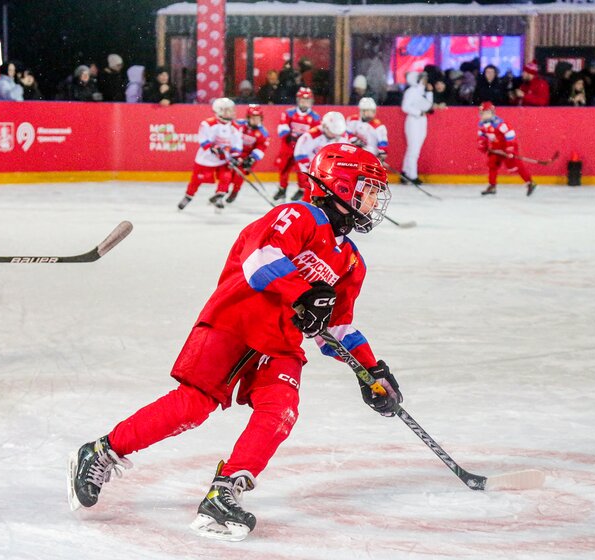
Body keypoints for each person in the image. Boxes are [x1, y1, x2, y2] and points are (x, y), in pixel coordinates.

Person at [67, 142, 401, 542]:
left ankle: (223, 493)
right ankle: (101, 452)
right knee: (193, 405)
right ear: (341, 184)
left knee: (281, 409)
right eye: (368, 189)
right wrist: (302, 293)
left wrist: (370, 370)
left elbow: (338, 329)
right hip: (237, 320)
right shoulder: (297, 215)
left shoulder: (351, 261)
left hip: (280, 343)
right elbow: (259, 262)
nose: (373, 200)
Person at [177, 98, 243, 212]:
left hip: (223, 160)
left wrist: (235, 157)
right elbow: (203, 140)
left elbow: (237, 145)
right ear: (219, 111)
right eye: (228, 110)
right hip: (206, 159)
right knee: (196, 180)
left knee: (226, 177)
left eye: (231, 109)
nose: (232, 112)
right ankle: (188, 196)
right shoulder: (207, 124)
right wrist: (215, 148)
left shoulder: (235, 127)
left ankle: (219, 197)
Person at [477, 102, 536, 197]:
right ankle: (492, 186)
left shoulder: (499, 124)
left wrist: (510, 149)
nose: (484, 115)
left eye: (486, 113)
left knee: (515, 166)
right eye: (482, 113)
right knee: (492, 164)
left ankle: (530, 182)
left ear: (492, 113)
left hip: (507, 147)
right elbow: (482, 136)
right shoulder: (482, 124)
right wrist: (482, 145)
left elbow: (510, 135)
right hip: (496, 148)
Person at [273, 87, 321, 202]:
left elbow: (316, 135)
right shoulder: (289, 113)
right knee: (283, 168)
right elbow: (282, 126)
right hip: (288, 147)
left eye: (307, 100)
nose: (304, 102)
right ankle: (282, 188)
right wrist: (287, 134)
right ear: (298, 100)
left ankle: (301, 189)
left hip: (303, 150)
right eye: (302, 100)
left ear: (311, 101)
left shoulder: (315, 118)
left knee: (302, 171)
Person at [292, 111, 348, 202]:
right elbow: (300, 155)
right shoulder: (311, 135)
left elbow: (345, 156)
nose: (336, 136)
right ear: (325, 126)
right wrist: (311, 172)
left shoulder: (342, 135)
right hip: (313, 171)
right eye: (333, 132)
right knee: (310, 197)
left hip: (331, 173)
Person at [226, 104, 269, 204]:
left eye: (258, 118)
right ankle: (223, 190)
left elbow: (261, 147)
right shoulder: (238, 124)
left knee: (239, 175)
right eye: (253, 118)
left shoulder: (263, 133)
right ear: (248, 117)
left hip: (248, 157)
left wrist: (252, 158)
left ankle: (235, 192)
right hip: (235, 153)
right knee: (228, 172)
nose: (255, 120)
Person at [400, 71, 433, 186]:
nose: (425, 81)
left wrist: (429, 93)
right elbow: (405, 106)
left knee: (414, 148)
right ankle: (412, 175)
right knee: (413, 148)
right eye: (423, 79)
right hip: (413, 121)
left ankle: (405, 172)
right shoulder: (411, 91)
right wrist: (418, 112)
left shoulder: (422, 91)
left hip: (422, 121)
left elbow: (429, 106)